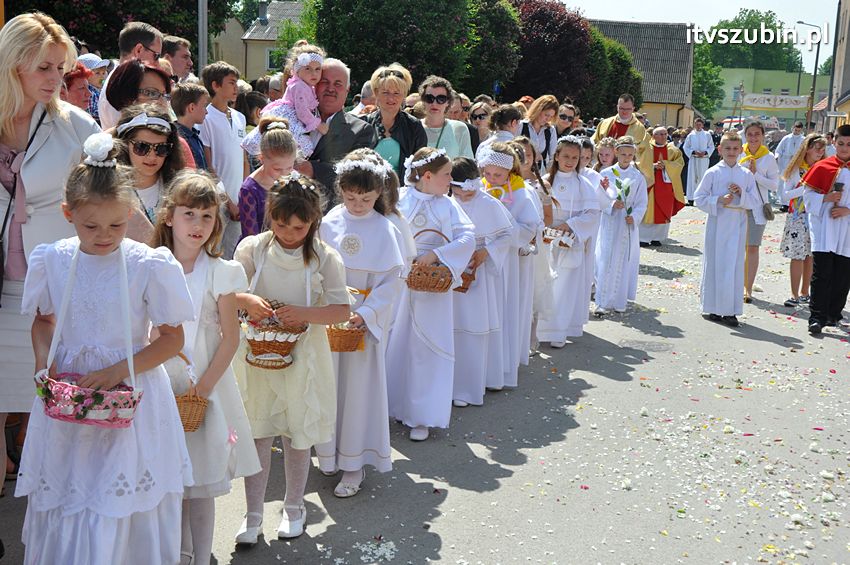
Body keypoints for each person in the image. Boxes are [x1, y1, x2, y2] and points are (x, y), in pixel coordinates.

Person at [18, 132, 193, 564]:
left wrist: (117, 370)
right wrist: (45, 361)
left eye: (116, 225)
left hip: (130, 397)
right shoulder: (52, 259)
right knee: (70, 494)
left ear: (131, 212)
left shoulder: (146, 263)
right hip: (70, 401)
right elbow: (44, 321)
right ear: (68, 214)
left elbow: (173, 338)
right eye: (90, 226)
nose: (104, 235)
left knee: (118, 501)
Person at [0, 11, 101, 499]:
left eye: (61, 68)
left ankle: (65, 526)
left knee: (60, 414)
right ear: (12, 64)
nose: (56, 79)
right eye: (45, 67)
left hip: (57, 293)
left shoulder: (76, 127)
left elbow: (113, 200)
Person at [232, 174, 350, 543]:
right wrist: (245, 301)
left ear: (313, 221)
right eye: (281, 225)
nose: (288, 233)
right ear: (270, 215)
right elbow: (229, 292)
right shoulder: (253, 249)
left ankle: (295, 506)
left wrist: (302, 312)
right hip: (256, 351)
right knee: (258, 431)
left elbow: (340, 309)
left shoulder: (324, 258)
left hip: (303, 355)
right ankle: (252, 514)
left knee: (297, 433)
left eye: (298, 228)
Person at [152, 170, 260, 565]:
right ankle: (177, 554)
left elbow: (231, 337)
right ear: (169, 216)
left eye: (207, 217)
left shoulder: (220, 271)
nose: (197, 225)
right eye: (189, 214)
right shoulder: (153, 265)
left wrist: (206, 386)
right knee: (173, 482)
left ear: (217, 222)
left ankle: (200, 555)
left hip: (206, 387)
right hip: (161, 382)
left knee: (202, 477)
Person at [315, 150, 405, 497]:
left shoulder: (385, 229)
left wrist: (366, 314)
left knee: (358, 394)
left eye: (365, 199)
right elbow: (318, 268)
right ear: (341, 190)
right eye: (351, 197)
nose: (357, 204)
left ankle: (354, 465)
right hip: (330, 318)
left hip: (362, 323)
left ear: (378, 194)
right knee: (328, 388)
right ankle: (327, 455)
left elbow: (392, 282)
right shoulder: (331, 220)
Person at [385, 148, 474, 441]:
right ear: (427, 176)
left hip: (432, 284)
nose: (451, 180)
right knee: (395, 341)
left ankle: (421, 415)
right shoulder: (400, 198)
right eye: (447, 175)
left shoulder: (448, 205)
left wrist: (436, 254)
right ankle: (390, 404)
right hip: (400, 281)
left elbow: (466, 237)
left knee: (427, 347)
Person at [449, 157, 513, 406]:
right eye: (457, 189)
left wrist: (487, 252)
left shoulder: (488, 203)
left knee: (476, 325)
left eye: (466, 189)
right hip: (454, 272)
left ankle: (474, 383)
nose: (463, 194)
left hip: (481, 275)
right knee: (454, 326)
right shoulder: (449, 203)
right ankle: (453, 382)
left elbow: (507, 233)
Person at [480, 142, 542, 382]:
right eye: (487, 173)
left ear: (510, 172)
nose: (492, 179)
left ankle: (503, 366)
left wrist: (504, 225)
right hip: (485, 257)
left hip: (509, 261)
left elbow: (529, 228)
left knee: (505, 308)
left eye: (498, 175)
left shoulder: (521, 192)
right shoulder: (482, 188)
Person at [695, 130, 766, 327]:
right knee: (715, 263)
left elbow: (754, 201)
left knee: (733, 265)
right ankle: (712, 307)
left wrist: (741, 193)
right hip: (718, 222)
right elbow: (698, 198)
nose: (732, 152)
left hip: (737, 222)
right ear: (720, 149)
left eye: (735, 148)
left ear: (740, 150)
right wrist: (717, 199)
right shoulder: (712, 172)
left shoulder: (746, 174)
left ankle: (730, 310)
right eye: (728, 148)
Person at [537, 135, 602, 346]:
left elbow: (592, 213)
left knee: (564, 288)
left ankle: (558, 332)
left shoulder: (583, 184)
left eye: (575, 157)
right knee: (545, 285)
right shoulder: (546, 181)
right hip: (547, 241)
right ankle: (539, 330)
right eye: (566, 156)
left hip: (569, 242)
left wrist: (570, 225)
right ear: (556, 156)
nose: (570, 161)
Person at [293, 59, 376, 211]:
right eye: (325, 82)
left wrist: (313, 169)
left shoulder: (361, 131)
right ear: (314, 85)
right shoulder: (293, 117)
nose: (331, 88)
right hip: (286, 211)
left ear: (347, 91)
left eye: (338, 84)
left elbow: (357, 176)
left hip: (327, 216)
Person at [799, 123, 850, 334]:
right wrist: (826, 198)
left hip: (847, 230)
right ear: (833, 142)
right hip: (825, 227)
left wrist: (847, 211)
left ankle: (834, 314)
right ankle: (817, 317)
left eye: (849, 144)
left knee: (843, 274)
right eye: (841, 143)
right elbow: (807, 198)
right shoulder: (822, 167)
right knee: (822, 273)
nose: (845, 148)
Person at [114, 104, 185, 242]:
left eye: (161, 148)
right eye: (142, 147)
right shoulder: (110, 189)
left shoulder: (180, 188)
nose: (152, 157)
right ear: (124, 144)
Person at [594, 136, 648, 315]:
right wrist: (610, 205)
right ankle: (601, 300)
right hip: (610, 221)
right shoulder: (606, 173)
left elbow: (642, 201)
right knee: (606, 257)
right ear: (616, 153)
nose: (626, 158)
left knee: (622, 259)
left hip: (626, 223)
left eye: (630, 155)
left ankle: (619, 300)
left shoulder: (637, 176)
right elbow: (598, 197)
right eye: (623, 154)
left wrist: (635, 215)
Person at [200, 61, 248, 259]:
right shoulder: (205, 117)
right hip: (218, 201)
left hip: (238, 199)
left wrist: (243, 196)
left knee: (233, 255)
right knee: (214, 252)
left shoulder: (240, 117)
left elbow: (244, 158)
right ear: (215, 85)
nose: (236, 87)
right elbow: (208, 165)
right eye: (231, 82)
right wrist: (227, 200)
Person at [511, 138, 554, 355]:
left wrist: (532, 231)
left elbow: (547, 217)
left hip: (534, 242)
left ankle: (531, 336)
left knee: (535, 287)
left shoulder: (539, 186)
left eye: (528, 154)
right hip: (515, 245)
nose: (524, 159)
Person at [254, 43, 329, 159]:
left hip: (293, 118)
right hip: (290, 118)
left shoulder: (306, 85)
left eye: (317, 69)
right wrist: (318, 125)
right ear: (297, 70)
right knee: (294, 145)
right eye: (308, 69)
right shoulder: (299, 86)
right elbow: (302, 112)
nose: (314, 73)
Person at [779, 134, 825, 307]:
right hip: (797, 217)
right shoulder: (796, 169)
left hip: (817, 216)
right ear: (807, 148)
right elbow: (785, 195)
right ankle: (794, 294)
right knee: (797, 256)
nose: (820, 151)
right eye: (816, 147)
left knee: (811, 256)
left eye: (822, 148)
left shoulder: (824, 168)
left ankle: (806, 292)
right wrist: (806, 188)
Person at [363, 64, 427, 178]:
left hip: (402, 192)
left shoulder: (414, 127)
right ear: (376, 93)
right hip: (367, 192)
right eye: (385, 92)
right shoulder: (363, 125)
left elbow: (421, 167)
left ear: (404, 95)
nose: (391, 98)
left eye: (396, 93)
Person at [739, 120, 779, 302]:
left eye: (757, 134)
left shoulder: (768, 157)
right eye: (750, 134)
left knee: (752, 247)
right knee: (737, 247)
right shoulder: (738, 153)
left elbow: (774, 185)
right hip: (738, 207)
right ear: (745, 136)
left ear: (763, 136)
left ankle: (748, 288)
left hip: (756, 208)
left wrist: (756, 174)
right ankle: (735, 284)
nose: (753, 137)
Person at [239, 118, 297, 239]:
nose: (284, 174)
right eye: (277, 169)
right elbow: (250, 237)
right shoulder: (249, 189)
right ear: (261, 159)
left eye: (290, 167)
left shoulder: (295, 179)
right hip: (258, 251)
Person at [99, 21, 163, 130]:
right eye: (156, 56)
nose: (158, 63)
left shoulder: (119, 79)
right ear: (138, 50)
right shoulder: (123, 84)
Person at [591, 93, 652, 184]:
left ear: (633, 108)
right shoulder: (605, 123)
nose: (624, 112)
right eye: (621, 108)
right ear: (617, 107)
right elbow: (594, 143)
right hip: (603, 168)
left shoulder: (640, 129)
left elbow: (644, 153)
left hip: (625, 172)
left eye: (628, 109)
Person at [641, 126, 685, 246]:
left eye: (665, 134)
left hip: (666, 185)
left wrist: (666, 165)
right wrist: (653, 166)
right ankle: (643, 238)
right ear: (654, 136)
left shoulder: (673, 150)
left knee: (663, 209)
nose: (663, 136)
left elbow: (680, 163)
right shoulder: (647, 148)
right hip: (650, 184)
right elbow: (640, 163)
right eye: (660, 134)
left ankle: (657, 237)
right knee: (648, 210)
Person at [419, 76, 473, 159]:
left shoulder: (459, 128)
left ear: (448, 102)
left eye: (441, 99)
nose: (434, 103)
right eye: (429, 98)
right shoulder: (414, 127)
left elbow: (467, 166)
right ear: (423, 100)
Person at [172, 82, 210, 170]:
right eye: (204, 106)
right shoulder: (176, 139)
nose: (206, 111)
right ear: (191, 107)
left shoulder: (195, 136)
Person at [519, 95, 559, 169]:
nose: (548, 119)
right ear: (538, 110)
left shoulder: (551, 130)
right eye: (546, 115)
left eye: (551, 116)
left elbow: (552, 156)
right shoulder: (521, 126)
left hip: (541, 173)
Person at [683, 118, 714, 205]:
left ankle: (703, 198)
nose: (698, 126)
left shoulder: (707, 134)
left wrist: (706, 152)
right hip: (694, 159)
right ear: (694, 125)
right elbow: (686, 147)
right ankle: (691, 199)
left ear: (702, 125)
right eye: (696, 124)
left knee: (703, 178)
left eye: (700, 124)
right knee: (692, 178)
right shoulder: (691, 135)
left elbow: (711, 146)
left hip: (703, 159)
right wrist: (693, 152)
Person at [775, 121, 805, 207]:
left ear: (801, 130)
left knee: (795, 182)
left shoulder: (804, 139)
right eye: (795, 130)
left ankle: (792, 202)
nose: (796, 132)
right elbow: (778, 150)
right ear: (793, 128)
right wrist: (777, 157)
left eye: (798, 131)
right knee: (783, 182)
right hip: (785, 162)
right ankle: (782, 202)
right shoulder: (786, 138)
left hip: (797, 164)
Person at [77, 53, 110, 123]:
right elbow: (95, 114)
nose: (102, 77)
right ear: (86, 75)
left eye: (103, 73)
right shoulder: (90, 92)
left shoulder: (100, 90)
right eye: (97, 73)